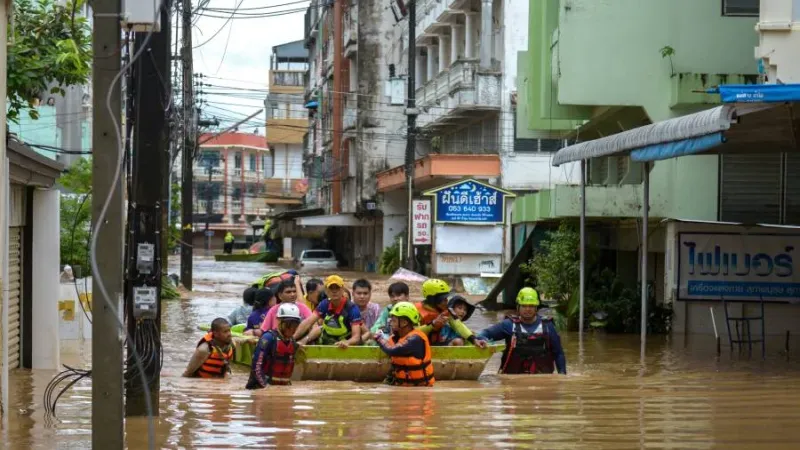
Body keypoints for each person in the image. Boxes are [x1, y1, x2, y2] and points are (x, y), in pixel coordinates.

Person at [477, 287, 566, 375]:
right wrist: (484, 340)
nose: (527, 309)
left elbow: (558, 353)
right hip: (512, 383)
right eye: (524, 306)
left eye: (531, 306)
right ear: (518, 307)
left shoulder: (547, 326)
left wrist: (562, 376)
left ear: (536, 308)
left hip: (542, 382)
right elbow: (484, 334)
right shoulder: (508, 325)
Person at [373, 302, 435, 387]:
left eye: (394, 320)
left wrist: (379, 338)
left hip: (420, 389)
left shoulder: (415, 339)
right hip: (403, 387)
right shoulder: (396, 338)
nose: (391, 323)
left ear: (404, 322)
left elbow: (392, 351)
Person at [415, 278, 487, 348]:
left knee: (459, 341)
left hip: (437, 344)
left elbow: (458, 325)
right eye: (443, 299)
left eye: (446, 298)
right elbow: (411, 333)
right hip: (421, 346)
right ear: (431, 299)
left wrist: (474, 340)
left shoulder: (447, 311)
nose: (446, 301)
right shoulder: (415, 310)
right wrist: (432, 324)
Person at [294, 275, 362, 347]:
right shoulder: (324, 304)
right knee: (318, 329)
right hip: (328, 341)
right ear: (326, 291)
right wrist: (293, 338)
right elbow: (308, 322)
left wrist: (347, 342)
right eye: (331, 288)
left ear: (342, 289)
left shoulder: (352, 308)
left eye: (337, 288)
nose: (334, 291)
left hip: (345, 345)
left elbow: (356, 337)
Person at [246, 303, 302, 388]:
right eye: (288, 324)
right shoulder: (268, 338)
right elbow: (256, 366)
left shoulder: (293, 342)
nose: (292, 328)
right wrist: (266, 388)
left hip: (282, 388)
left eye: (295, 325)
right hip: (263, 388)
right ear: (279, 321)